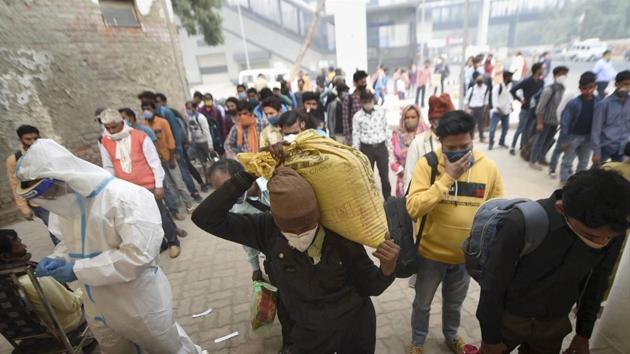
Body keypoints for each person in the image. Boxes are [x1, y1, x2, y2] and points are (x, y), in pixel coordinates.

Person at [15, 139, 205, 354]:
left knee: (169, 349)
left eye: (48, 192)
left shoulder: (126, 197)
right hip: (97, 305)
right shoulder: (67, 206)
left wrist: (76, 270)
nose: (49, 200)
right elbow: (71, 244)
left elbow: (139, 257)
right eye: (42, 197)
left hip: (137, 302)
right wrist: (61, 258)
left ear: (65, 176)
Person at [192, 162, 399, 353]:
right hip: (308, 331)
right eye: (290, 229)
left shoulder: (339, 231)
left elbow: (370, 286)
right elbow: (204, 218)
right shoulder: (265, 228)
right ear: (276, 219)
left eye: (307, 226)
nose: (300, 234)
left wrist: (387, 269)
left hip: (353, 325)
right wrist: (247, 175)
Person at [477, 168, 630, 354]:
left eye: (608, 238)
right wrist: (490, 337)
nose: (601, 242)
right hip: (509, 319)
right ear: (561, 209)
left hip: (554, 324)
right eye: (591, 236)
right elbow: (493, 283)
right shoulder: (521, 224)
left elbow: (597, 281)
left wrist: (583, 333)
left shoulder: (611, 229)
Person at [406, 111, 504, 354]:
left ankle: (451, 336)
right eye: (452, 147)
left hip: (464, 259)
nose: (459, 152)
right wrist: (447, 178)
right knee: (422, 304)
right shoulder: (427, 165)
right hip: (430, 255)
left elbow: (498, 212)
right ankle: (418, 342)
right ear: (440, 142)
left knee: (454, 304)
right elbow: (413, 207)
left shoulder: (488, 168)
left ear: (473, 140)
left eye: (465, 146)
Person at [98, 109, 183, 259]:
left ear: (122, 123)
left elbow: (155, 162)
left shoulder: (140, 136)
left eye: (114, 127)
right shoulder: (105, 142)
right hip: (126, 189)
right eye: (108, 128)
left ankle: (173, 242)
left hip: (148, 185)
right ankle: (160, 243)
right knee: (142, 220)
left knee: (160, 215)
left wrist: (158, 185)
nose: (111, 131)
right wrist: (109, 188)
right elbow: (108, 167)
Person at [0, 229, 83, 333]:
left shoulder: (6, 280)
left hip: (26, 333)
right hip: (63, 327)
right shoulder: (32, 279)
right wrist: (85, 288)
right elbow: (72, 305)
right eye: (19, 245)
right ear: (5, 256)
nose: (25, 246)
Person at [5, 125, 60, 246]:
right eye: (28, 139)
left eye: (35, 138)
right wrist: (24, 208)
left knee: (70, 227)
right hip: (39, 202)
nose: (32, 142)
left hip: (59, 196)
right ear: (21, 140)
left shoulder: (48, 152)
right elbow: (16, 185)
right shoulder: (15, 160)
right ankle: (67, 259)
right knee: (55, 231)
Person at [143, 101, 194, 219]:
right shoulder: (145, 126)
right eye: (144, 109)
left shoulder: (162, 122)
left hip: (168, 157)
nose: (146, 111)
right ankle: (178, 207)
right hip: (158, 162)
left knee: (179, 183)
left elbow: (170, 139)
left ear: (154, 109)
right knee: (169, 186)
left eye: (148, 108)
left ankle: (189, 204)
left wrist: (172, 157)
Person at [551, 72, 599, 185]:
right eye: (584, 88)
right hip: (573, 136)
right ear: (580, 89)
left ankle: (578, 183)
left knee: (583, 163)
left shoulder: (598, 102)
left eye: (590, 88)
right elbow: (565, 123)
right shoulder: (574, 103)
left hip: (588, 138)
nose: (588, 91)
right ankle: (563, 182)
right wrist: (564, 140)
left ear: (595, 87)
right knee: (567, 161)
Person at [403, 94, 454, 191]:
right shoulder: (418, 143)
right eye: (435, 120)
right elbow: (409, 177)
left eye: (442, 120)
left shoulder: (458, 143)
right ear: (430, 121)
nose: (438, 123)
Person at [352, 90, 392, 200]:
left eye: (370, 101)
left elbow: (386, 129)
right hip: (366, 149)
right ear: (361, 102)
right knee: (368, 177)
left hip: (380, 147)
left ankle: (388, 200)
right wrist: (357, 153)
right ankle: (371, 200)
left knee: (384, 176)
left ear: (373, 100)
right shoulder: (357, 117)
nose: (368, 103)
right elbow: (356, 135)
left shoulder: (381, 112)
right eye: (365, 101)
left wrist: (388, 147)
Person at [529, 66, 569, 170]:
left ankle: (541, 158)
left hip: (555, 122)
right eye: (561, 74)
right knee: (539, 141)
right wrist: (539, 123)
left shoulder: (563, 89)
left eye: (565, 74)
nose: (563, 76)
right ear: (555, 75)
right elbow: (540, 108)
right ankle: (533, 161)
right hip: (545, 121)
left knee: (548, 141)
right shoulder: (549, 89)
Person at [591, 70, 630, 166]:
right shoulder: (604, 104)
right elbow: (596, 129)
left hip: (622, 146)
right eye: (625, 84)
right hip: (605, 146)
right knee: (596, 173)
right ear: (617, 84)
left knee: (618, 175)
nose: (627, 87)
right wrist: (596, 151)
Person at [509, 62, 545, 155]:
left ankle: (524, 147)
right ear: (537, 70)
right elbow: (513, 90)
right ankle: (512, 147)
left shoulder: (541, 82)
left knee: (528, 130)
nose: (543, 70)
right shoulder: (527, 81)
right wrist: (520, 100)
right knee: (520, 129)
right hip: (525, 109)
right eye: (542, 68)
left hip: (535, 111)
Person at [390, 105, 426, 197]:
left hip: (423, 179)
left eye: (413, 117)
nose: (409, 120)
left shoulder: (426, 134)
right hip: (403, 179)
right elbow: (392, 157)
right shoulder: (397, 135)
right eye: (407, 117)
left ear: (418, 118)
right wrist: (401, 170)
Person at [341, 70, 369, 145]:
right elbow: (345, 120)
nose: (364, 83)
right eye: (361, 81)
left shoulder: (370, 97)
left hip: (370, 137)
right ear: (355, 82)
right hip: (356, 138)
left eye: (365, 81)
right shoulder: (349, 99)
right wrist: (349, 138)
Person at [488, 70, 514, 150]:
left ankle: (501, 142)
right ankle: (491, 143)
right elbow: (494, 100)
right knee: (492, 129)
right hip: (497, 112)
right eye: (510, 77)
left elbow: (509, 98)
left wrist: (511, 106)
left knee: (505, 128)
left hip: (506, 112)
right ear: (506, 77)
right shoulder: (497, 87)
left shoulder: (509, 87)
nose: (511, 78)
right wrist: (499, 110)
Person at [464, 72, 490, 143]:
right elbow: (466, 100)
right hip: (472, 109)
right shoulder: (472, 89)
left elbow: (486, 101)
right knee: (471, 124)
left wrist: (484, 109)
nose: (479, 80)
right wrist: (467, 109)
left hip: (480, 109)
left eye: (480, 78)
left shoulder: (486, 89)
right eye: (478, 79)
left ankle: (481, 138)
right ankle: (470, 138)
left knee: (481, 124)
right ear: (475, 80)